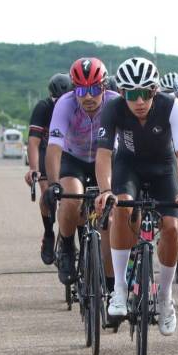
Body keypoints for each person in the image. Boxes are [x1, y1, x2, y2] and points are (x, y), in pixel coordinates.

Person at [95, 57, 178, 336]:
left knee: (172, 227)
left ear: (155, 91)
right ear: (123, 93)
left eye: (146, 94)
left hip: (164, 168)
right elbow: (103, 155)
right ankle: (120, 290)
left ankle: (165, 297)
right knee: (121, 207)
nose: (139, 101)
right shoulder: (112, 109)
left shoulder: (172, 106)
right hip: (129, 166)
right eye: (132, 95)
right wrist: (105, 190)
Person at [44, 57, 118, 289]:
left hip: (106, 159)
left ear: (104, 87)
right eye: (82, 90)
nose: (88, 96)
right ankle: (66, 245)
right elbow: (54, 147)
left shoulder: (115, 103)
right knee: (69, 200)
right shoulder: (65, 104)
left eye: (94, 89)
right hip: (73, 158)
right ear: (74, 88)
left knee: (112, 209)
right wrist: (54, 183)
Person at [25, 73, 72, 265]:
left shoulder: (75, 105)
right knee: (47, 193)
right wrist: (34, 169)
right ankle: (48, 232)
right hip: (47, 149)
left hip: (69, 150)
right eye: (56, 99)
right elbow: (34, 142)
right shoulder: (43, 107)